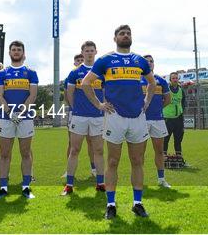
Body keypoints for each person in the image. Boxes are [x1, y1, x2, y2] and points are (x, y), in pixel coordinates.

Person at [82, 24, 155, 219]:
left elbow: (152, 83)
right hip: (115, 116)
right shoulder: (105, 60)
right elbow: (86, 83)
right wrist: (99, 104)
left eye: (128, 33)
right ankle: (111, 204)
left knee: (138, 160)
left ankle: (137, 203)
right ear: (115, 38)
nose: (125, 35)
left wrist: (147, 101)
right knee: (112, 161)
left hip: (138, 117)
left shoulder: (140, 60)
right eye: (122, 33)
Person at [0, 41, 38, 200]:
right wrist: (10, 113)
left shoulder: (31, 72)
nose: (16, 52)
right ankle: (3, 188)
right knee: (5, 154)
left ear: (23, 52)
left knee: (25, 153)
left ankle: (26, 187)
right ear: (10, 53)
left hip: (25, 118)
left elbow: (32, 95)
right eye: (13, 49)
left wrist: (21, 112)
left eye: (19, 49)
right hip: (6, 118)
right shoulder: (2, 73)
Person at [62, 41, 105, 196]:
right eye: (86, 50)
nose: (89, 53)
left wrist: (103, 106)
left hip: (98, 116)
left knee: (98, 150)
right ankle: (69, 184)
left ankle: (101, 183)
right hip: (79, 117)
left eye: (91, 50)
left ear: (96, 52)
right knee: (75, 150)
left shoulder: (101, 72)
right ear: (82, 52)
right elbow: (69, 94)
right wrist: (76, 109)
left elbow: (106, 92)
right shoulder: (75, 73)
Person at [141, 55, 171, 188]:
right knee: (139, 153)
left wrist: (158, 109)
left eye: (151, 61)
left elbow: (168, 100)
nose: (149, 63)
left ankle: (161, 179)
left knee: (159, 151)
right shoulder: (136, 80)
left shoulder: (161, 81)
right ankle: (139, 180)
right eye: (146, 62)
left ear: (154, 64)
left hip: (158, 120)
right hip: (141, 120)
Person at [163, 72, 186, 164]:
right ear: (170, 79)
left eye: (176, 78)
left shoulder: (181, 90)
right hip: (168, 118)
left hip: (178, 118)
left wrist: (182, 110)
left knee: (178, 139)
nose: (175, 80)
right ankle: (163, 158)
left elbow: (183, 101)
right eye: (173, 78)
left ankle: (179, 158)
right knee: (166, 139)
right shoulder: (166, 89)